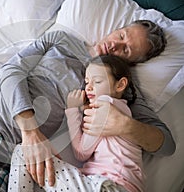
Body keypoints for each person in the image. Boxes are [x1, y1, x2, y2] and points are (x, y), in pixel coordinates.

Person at [0, 20, 175, 192]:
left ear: (129, 65)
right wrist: (30, 132)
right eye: (122, 35)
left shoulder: (120, 89)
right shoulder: (62, 39)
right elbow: (10, 70)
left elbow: (166, 145)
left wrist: (126, 125)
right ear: (117, 28)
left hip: (15, 158)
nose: (115, 44)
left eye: (125, 50)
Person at [8, 55, 143, 192]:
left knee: (24, 152)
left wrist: (72, 110)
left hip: (111, 186)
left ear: (120, 85)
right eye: (87, 82)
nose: (88, 87)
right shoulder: (122, 110)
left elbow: (81, 152)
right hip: (114, 185)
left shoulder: (107, 108)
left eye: (97, 82)